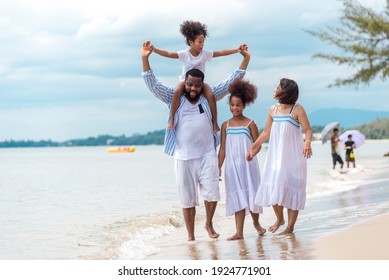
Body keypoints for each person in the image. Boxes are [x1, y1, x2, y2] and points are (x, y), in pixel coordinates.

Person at [141, 41, 251, 241]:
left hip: (207, 153)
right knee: (187, 199)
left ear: (202, 85)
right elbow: (153, 85)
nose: (193, 89)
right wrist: (145, 59)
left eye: (197, 86)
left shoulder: (208, 97)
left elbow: (230, 83)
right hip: (183, 157)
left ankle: (208, 223)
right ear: (184, 82)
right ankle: (191, 235)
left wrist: (245, 59)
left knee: (212, 194)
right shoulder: (173, 97)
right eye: (189, 85)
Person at [150, 20, 244, 132]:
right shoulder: (185, 54)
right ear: (191, 42)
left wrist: (236, 50)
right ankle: (172, 119)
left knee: (211, 96)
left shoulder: (205, 53)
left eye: (203, 42)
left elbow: (220, 52)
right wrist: (154, 50)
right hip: (185, 83)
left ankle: (214, 122)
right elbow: (170, 54)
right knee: (176, 93)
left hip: (200, 84)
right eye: (199, 42)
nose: (202, 45)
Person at [246, 78, 312, 235]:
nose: (275, 89)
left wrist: (307, 143)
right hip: (275, 157)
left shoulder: (297, 109)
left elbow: (308, 129)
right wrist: (254, 147)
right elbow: (266, 133)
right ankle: (280, 219)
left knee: (293, 188)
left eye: (278, 87)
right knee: (274, 185)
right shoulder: (272, 110)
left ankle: (290, 227)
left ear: (286, 91)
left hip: (294, 157)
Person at [218, 79, 266, 241]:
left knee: (251, 193)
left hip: (248, 165)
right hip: (232, 168)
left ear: (244, 105)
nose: (235, 108)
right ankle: (239, 232)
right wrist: (218, 167)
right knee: (237, 196)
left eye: (238, 105)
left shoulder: (250, 124)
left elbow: (258, 143)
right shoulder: (226, 125)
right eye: (232, 105)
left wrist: (253, 152)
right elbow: (223, 148)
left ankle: (256, 223)